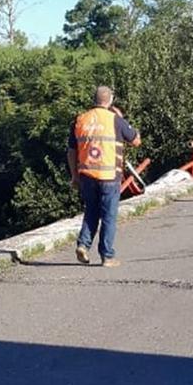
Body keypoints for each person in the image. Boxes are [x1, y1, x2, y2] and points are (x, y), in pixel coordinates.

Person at [67, 85, 140, 267]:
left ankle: (83, 245)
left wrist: (74, 176)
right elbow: (136, 141)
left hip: (87, 174)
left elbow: (71, 151)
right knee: (108, 215)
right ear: (110, 100)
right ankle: (107, 256)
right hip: (109, 175)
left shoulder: (80, 119)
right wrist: (122, 119)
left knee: (91, 210)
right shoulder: (114, 119)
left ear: (94, 99)